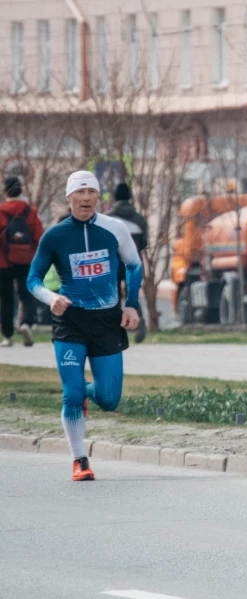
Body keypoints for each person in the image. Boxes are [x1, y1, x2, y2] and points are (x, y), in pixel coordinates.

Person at [27, 171, 142, 481]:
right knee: (71, 393)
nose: (87, 198)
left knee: (109, 398)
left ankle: (87, 394)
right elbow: (32, 279)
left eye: (92, 192)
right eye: (80, 192)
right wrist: (51, 298)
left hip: (106, 320)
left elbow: (133, 265)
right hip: (71, 321)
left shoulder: (114, 228)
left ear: (99, 197)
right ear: (70, 198)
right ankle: (80, 459)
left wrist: (131, 303)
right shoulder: (55, 236)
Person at [1, 177, 43, 347]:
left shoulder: (1, 211)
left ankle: (8, 336)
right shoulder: (30, 212)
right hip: (26, 260)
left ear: (5, 191)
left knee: (5, 298)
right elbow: (39, 237)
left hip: (3, 262)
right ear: (21, 190)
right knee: (27, 294)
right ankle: (26, 323)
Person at [107, 182, 149, 343]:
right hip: (132, 261)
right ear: (130, 197)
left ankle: (114, 330)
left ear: (115, 197)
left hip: (113, 262)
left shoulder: (107, 218)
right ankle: (139, 320)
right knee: (132, 295)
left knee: (114, 296)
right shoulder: (139, 219)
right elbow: (144, 242)